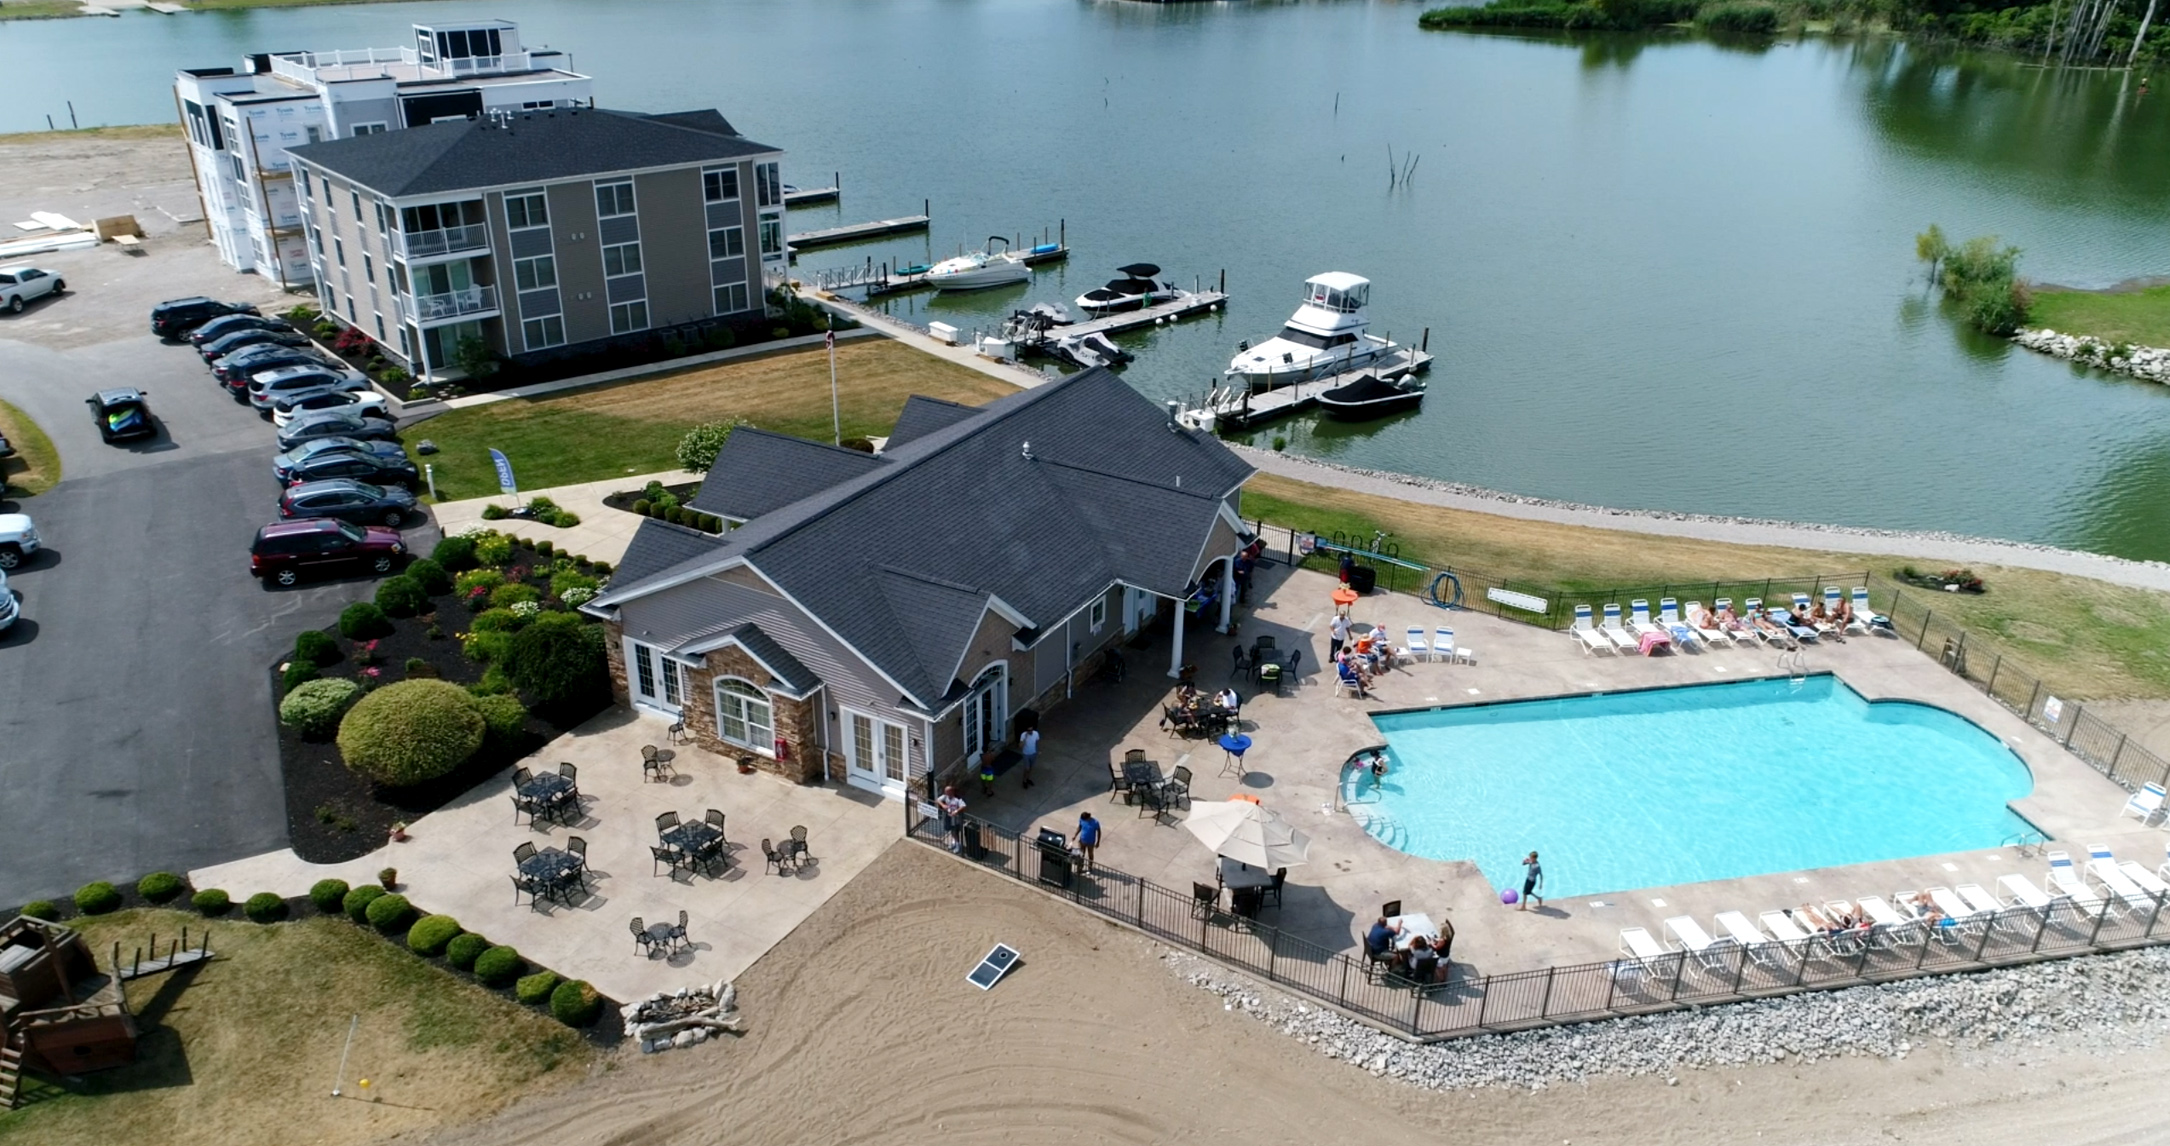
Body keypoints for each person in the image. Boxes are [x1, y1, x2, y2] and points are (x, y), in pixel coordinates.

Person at [935, 786, 967, 853]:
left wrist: (956, 811)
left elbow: (963, 806)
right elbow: (937, 800)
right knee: (951, 830)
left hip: (956, 818)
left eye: (947, 792)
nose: (945, 793)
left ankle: (958, 845)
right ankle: (954, 842)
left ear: (951, 792)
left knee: (955, 831)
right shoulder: (945, 796)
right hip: (948, 816)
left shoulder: (957, 799)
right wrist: (943, 805)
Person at [1018, 725, 1040, 790]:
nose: (1031, 732)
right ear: (1026, 731)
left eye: (1031, 730)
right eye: (1029, 730)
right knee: (1027, 768)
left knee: (1030, 767)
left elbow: (1037, 742)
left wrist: (1037, 750)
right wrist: (1025, 738)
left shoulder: (1036, 733)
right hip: (1026, 754)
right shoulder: (1023, 735)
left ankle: (1028, 778)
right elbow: (1020, 746)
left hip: (1033, 753)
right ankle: (1024, 780)